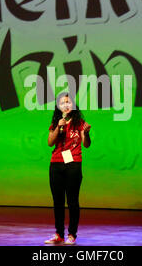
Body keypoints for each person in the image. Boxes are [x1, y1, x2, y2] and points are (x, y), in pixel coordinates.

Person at [44, 92, 91, 245]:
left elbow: (86, 144)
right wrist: (58, 127)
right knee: (58, 201)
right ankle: (59, 234)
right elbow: (50, 142)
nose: (66, 105)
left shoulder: (79, 123)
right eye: (63, 103)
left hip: (73, 164)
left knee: (72, 201)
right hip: (56, 164)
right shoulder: (56, 122)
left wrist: (86, 134)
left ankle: (72, 234)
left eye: (69, 102)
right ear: (58, 106)